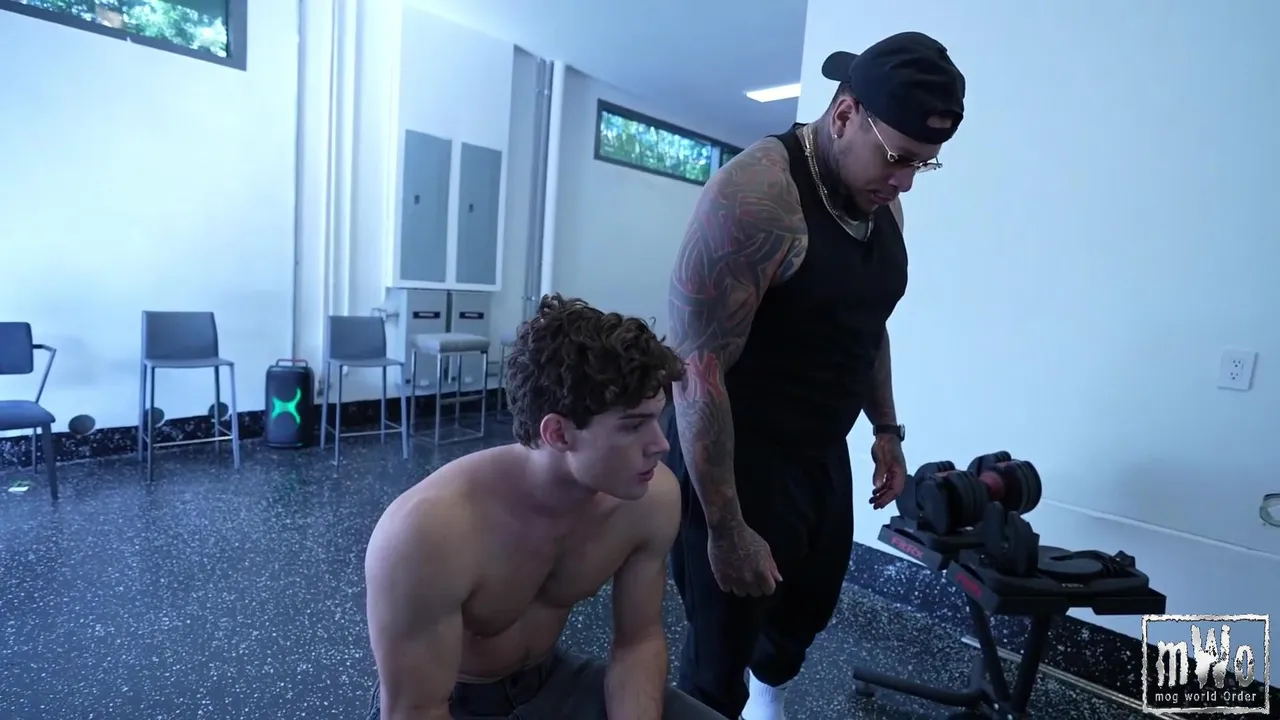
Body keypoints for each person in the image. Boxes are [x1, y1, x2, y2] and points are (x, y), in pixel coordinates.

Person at [663, 31, 967, 719]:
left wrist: (886, 428)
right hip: (737, 445)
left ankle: (766, 697)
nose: (906, 180)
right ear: (844, 116)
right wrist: (725, 526)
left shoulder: (879, 198)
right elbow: (696, 373)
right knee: (721, 640)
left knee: (805, 608)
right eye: (898, 157)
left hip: (820, 445)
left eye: (923, 164)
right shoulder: (755, 198)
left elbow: (868, 317)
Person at [363, 294, 722, 720]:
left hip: (552, 679)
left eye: (657, 419)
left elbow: (638, 643)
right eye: (633, 426)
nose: (661, 446)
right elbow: (417, 709)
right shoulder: (428, 533)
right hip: (451, 700)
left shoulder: (650, 498)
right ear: (558, 434)